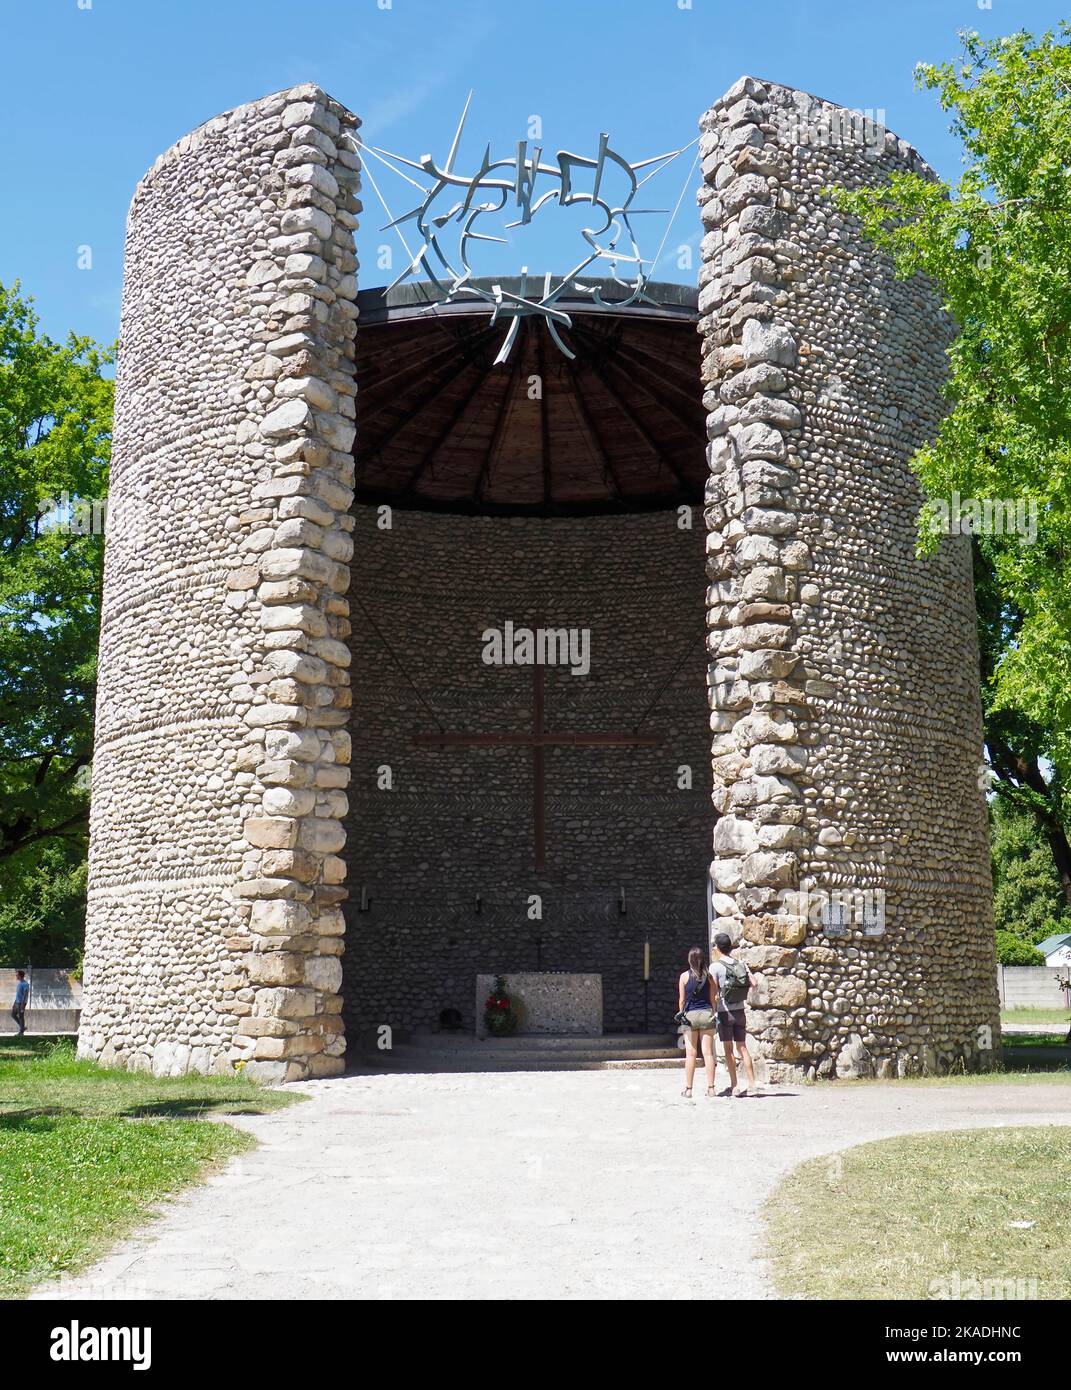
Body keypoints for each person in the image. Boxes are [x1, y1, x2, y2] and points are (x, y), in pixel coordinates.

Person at [711, 933, 757, 1096]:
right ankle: (752, 1084)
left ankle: (735, 1085)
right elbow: (754, 983)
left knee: (728, 1049)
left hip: (725, 1012)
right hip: (740, 1012)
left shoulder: (715, 967)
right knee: (742, 1047)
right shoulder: (740, 964)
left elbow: (714, 991)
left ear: (717, 947)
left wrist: (713, 1008)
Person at [676, 946, 718, 1098]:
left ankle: (688, 1089)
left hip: (690, 1016)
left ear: (689, 959)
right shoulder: (710, 976)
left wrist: (681, 1014)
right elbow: (714, 997)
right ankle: (711, 1088)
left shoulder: (684, 977)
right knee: (708, 1053)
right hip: (706, 1014)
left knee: (691, 1054)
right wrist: (714, 1012)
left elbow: (681, 1000)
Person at [11, 970, 29, 1036]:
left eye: (17, 975)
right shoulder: (19, 983)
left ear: (20, 975)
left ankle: (21, 1032)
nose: (16, 976)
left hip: (21, 1003)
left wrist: (22, 1004)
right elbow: (18, 994)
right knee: (13, 1014)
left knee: (21, 1016)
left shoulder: (25, 984)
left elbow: (25, 994)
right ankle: (22, 1027)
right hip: (17, 1002)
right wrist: (15, 1001)